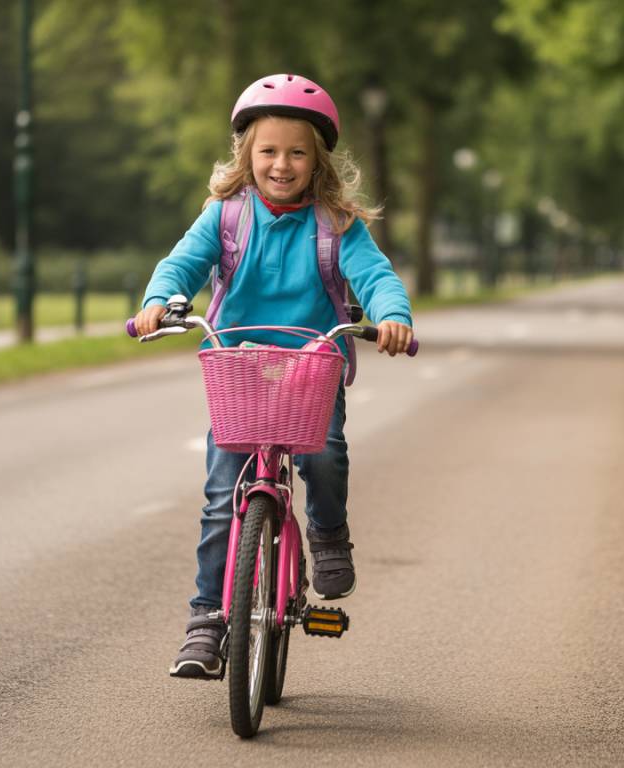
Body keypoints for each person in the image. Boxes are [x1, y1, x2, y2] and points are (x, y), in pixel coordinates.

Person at [133, 73, 414, 679]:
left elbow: (376, 277)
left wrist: (392, 315)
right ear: (246, 155)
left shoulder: (337, 224)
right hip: (239, 369)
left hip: (312, 366)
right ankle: (207, 619)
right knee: (220, 500)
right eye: (268, 151)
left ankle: (328, 533)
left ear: (318, 161)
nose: (281, 165)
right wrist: (159, 301)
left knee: (325, 454)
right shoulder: (225, 217)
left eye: (296, 153)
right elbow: (180, 265)